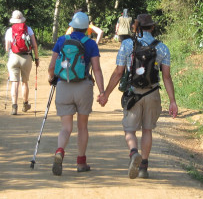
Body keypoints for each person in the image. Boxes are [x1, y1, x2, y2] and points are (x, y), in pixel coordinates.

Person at [98, 14, 178, 179]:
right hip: (153, 92)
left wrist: (105, 94)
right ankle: (143, 167)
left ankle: (134, 153)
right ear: (152, 27)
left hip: (133, 94)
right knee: (147, 129)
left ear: (136, 27)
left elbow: (118, 73)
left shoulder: (128, 45)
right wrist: (172, 101)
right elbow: (167, 77)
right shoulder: (162, 47)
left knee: (129, 129)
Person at [48, 12, 105, 176]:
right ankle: (81, 162)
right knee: (82, 127)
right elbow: (97, 70)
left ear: (72, 25)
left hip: (64, 86)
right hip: (83, 87)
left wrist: (51, 78)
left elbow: (52, 66)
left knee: (65, 128)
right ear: (87, 27)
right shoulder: (91, 43)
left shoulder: (62, 40)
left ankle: (60, 151)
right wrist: (102, 92)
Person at [5, 10, 39, 115]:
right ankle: (25, 104)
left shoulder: (9, 31)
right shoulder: (28, 29)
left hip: (13, 58)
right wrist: (37, 58)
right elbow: (34, 45)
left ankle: (14, 107)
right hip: (26, 58)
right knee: (25, 83)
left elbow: (7, 48)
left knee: (15, 83)